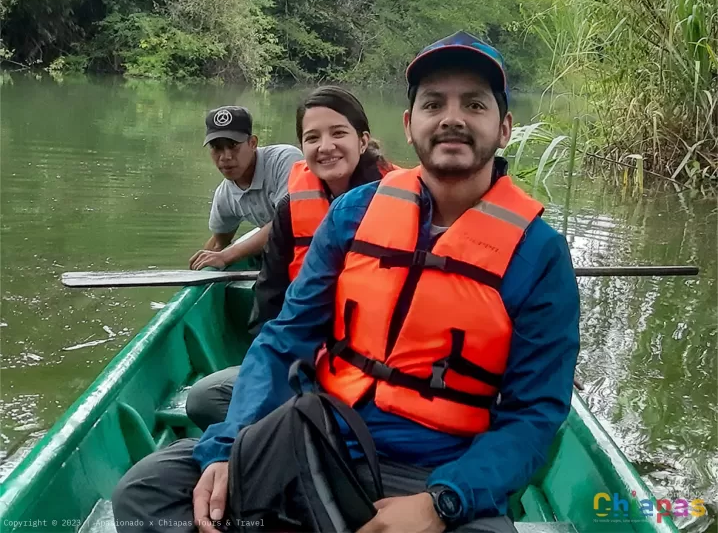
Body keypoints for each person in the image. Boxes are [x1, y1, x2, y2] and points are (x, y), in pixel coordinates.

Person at [113, 31, 580, 533]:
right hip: (321, 431)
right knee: (147, 493)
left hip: (437, 466)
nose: (451, 118)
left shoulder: (540, 255)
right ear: (409, 124)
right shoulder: (352, 215)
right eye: (432, 104)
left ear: (504, 128)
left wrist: (443, 501)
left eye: (474, 104)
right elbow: (285, 337)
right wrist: (229, 447)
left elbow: (534, 415)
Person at [185, 86, 393, 430]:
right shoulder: (292, 208)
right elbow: (269, 300)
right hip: (308, 363)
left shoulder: (402, 204)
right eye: (312, 137)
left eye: (338, 133)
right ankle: (297, 428)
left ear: (362, 140)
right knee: (206, 398)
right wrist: (269, 369)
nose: (325, 147)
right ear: (304, 147)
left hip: (376, 373)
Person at [189, 105, 302, 271]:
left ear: (252, 143)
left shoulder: (284, 160)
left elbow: (287, 222)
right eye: (217, 147)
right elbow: (219, 243)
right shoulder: (225, 195)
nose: (225, 157)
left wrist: (227, 256)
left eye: (233, 145)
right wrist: (197, 269)